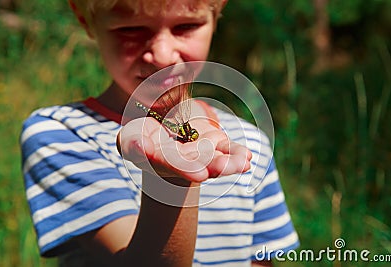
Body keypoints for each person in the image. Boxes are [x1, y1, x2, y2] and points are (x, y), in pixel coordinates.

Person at [20, 0, 299, 266]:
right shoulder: (62, 134)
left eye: (186, 26)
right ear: (86, 20)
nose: (163, 55)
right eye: (130, 29)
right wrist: (171, 179)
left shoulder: (250, 143)